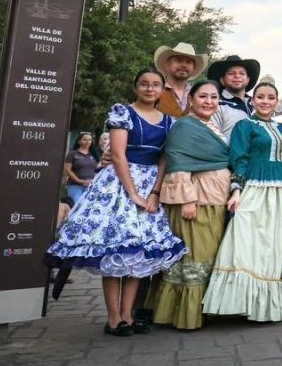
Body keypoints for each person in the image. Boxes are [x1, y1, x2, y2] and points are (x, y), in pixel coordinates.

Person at [46, 68, 186, 337]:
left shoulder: (170, 122)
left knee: (139, 254)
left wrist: (155, 192)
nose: (150, 89)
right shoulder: (123, 112)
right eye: (144, 84)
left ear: (161, 89)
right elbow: (119, 155)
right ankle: (112, 319)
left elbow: (164, 159)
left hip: (150, 183)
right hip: (120, 184)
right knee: (114, 252)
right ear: (136, 87)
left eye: (156, 84)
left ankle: (127, 315)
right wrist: (133, 192)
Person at [203, 77, 282, 322]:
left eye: (270, 98)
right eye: (260, 97)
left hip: (278, 191)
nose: (265, 101)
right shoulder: (245, 126)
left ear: (277, 102)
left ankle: (265, 306)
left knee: (271, 243)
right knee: (245, 239)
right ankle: (238, 302)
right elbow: (239, 158)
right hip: (253, 187)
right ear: (252, 100)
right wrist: (236, 190)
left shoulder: (280, 128)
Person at [146, 81, 231, 330]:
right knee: (195, 258)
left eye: (214, 97)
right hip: (196, 198)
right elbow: (178, 161)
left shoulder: (212, 126)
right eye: (203, 96)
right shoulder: (184, 126)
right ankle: (185, 315)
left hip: (215, 197)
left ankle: (203, 311)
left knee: (206, 257)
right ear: (191, 100)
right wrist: (188, 200)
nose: (209, 101)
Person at [208, 55, 282, 137]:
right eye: (231, 73)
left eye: (242, 73)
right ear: (222, 80)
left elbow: (281, 107)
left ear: (248, 80)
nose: (237, 76)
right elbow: (212, 137)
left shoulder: (256, 102)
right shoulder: (215, 104)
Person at [153, 42, 208, 118]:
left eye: (188, 62)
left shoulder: (199, 95)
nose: (183, 65)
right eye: (178, 60)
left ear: (193, 68)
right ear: (167, 65)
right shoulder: (155, 91)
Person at [63, 132, 98, 204]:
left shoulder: (94, 154)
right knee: (76, 206)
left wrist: (93, 181)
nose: (87, 142)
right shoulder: (72, 153)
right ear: (79, 141)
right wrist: (79, 181)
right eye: (84, 139)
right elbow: (67, 170)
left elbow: (98, 169)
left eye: (89, 140)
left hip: (90, 185)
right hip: (75, 185)